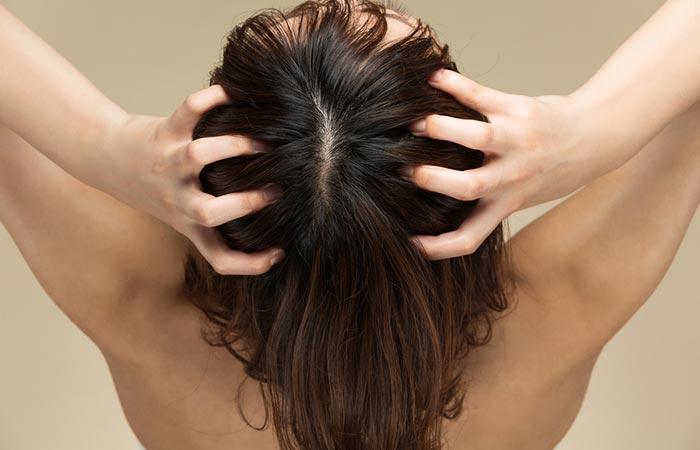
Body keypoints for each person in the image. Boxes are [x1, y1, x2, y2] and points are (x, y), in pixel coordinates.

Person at [0, 0, 697, 449]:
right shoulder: (565, 301)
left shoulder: (135, 301)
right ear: (470, 189)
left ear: (216, 195)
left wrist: (105, 143)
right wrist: (594, 128)